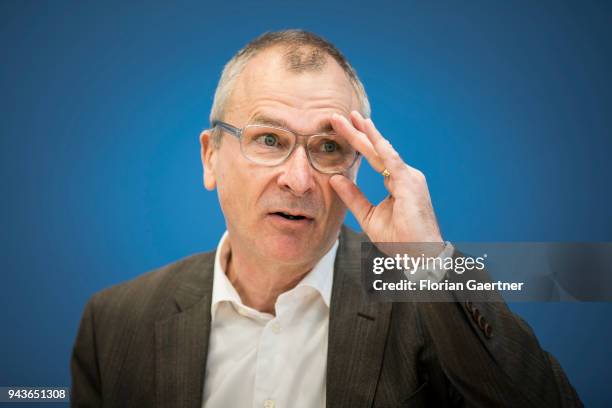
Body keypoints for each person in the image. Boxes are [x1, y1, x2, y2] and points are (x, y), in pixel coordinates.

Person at [71, 30, 582, 407]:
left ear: (357, 163)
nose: (298, 179)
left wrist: (427, 260)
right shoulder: (114, 322)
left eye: (329, 147)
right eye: (269, 139)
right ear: (210, 157)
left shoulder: (429, 307)